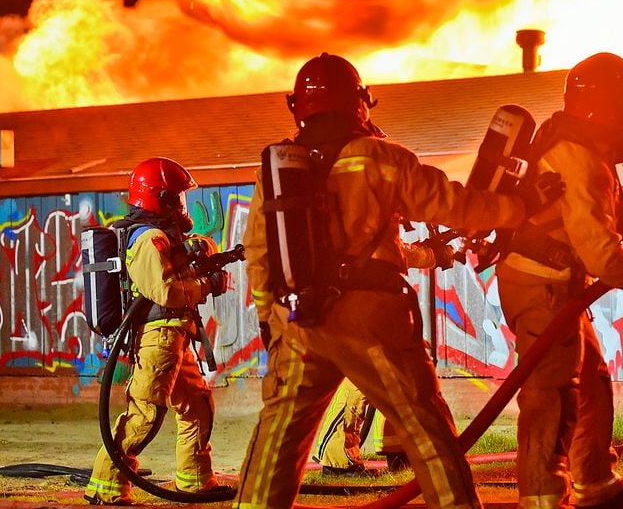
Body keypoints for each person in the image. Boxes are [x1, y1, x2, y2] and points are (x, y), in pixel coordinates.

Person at [234, 53, 543, 509]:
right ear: (360, 102)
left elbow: (259, 253)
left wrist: (270, 321)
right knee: (424, 425)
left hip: (297, 319)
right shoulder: (380, 157)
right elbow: (454, 205)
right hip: (369, 317)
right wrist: (518, 209)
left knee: (277, 436)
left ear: (296, 106)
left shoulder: (277, 171)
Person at [496, 52, 623, 509]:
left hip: (555, 286)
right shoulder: (578, 158)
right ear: (606, 106)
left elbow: (612, 214)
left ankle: (595, 483)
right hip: (542, 288)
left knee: (591, 382)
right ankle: (543, 499)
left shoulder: (582, 150)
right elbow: (602, 254)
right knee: (551, 397)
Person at [85, 157, 230, 506]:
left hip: (175, 335)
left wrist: (204, 251)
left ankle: (195, 479)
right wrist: (206, 285)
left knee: (197, 405)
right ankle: (106, 485)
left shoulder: (164, 236)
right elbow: (164, 291)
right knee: (146, 414)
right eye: (177, 198)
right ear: (159, 197)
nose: (183, 205)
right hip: (158, 337)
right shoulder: (148, 239)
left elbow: (183, 259)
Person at [311, 237, 450, 475]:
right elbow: (386, 249)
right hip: (358, 301)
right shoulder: (361, 211)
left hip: (374, 299)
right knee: (360, 381)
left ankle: (396, 449)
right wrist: (430, 255)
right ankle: (336, 460)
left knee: (397, 374)